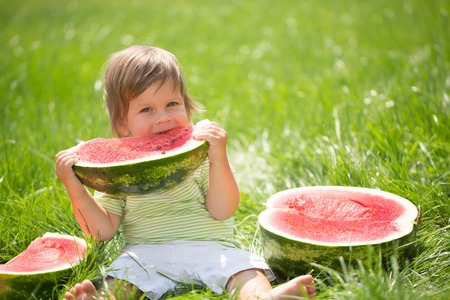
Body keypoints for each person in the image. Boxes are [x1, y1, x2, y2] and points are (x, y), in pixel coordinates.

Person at [55, 45, 315, 300]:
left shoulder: (200, 157)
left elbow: (222, 210)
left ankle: (262, 297)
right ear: (123, 124)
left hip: (211, 249)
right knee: (122, 278)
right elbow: (102, 231)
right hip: (145, 254)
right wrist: (74, 187)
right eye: (146, 109)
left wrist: (218, 158)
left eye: (172, 103)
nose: (163, 117)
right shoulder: (119, 173)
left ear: (187, 106)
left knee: (243, 270)